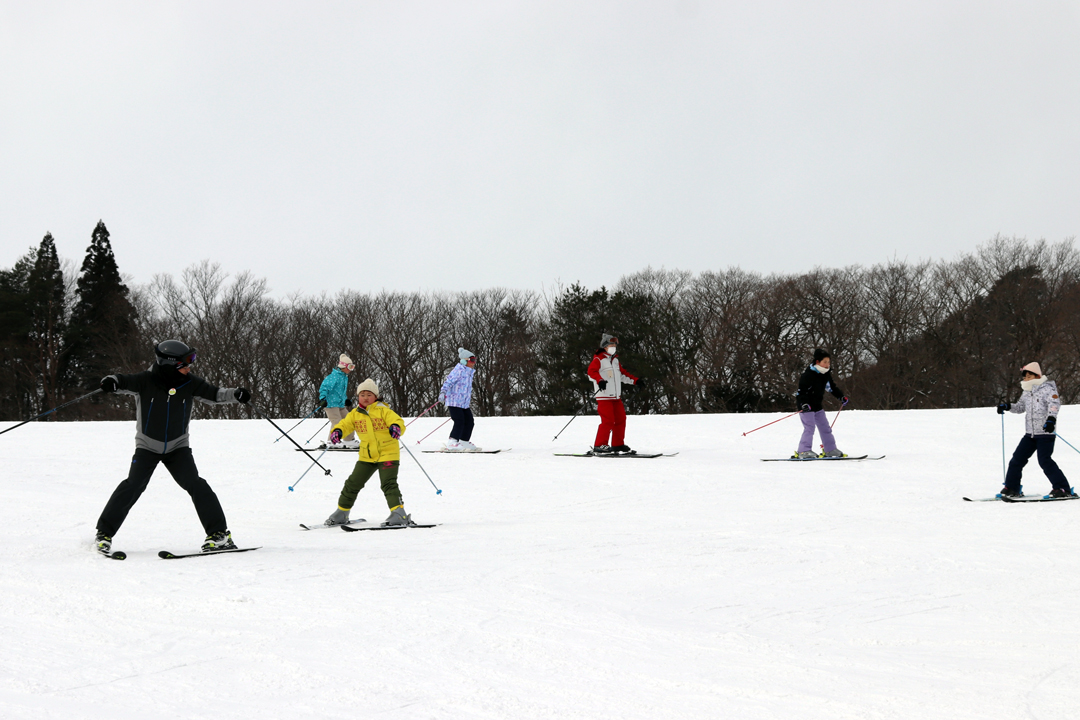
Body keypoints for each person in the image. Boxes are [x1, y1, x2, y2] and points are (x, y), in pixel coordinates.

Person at [94, 340, 250, 555]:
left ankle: (219, 535)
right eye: (185, 364)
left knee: (195, 484)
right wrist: (111, 381)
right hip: (148, 446)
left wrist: (236, 394)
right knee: (133, 485)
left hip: (177, 447)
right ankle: (104, 534)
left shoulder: (190, 383)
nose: (189, 368)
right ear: (169, 364)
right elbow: (122, 381)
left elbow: (215, 394)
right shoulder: (145, 381)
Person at [324, 378, 417, 527]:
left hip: (388, 453)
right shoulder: (355, 414)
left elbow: (398, 421)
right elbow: (345, 425)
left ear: (376, 396)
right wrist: (338, 431)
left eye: (369, 394)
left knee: (388, 484)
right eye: (362, 395)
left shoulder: (383, 410)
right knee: (352, 483)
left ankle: (399, 514)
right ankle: (342, 512)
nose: (365, 398)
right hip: (367, 456)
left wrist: (396, 427)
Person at [996, 362, 1075, 499]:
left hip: (1045, 434)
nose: (1026, 378)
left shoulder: (1048, 389)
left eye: (1029, 375)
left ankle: (1063, 488)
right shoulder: (1027, 391)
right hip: (1030, 434)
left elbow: (1054, 404)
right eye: (1025, 376)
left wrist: (1051, 419)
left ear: (1037, 375)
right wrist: (1008, 406)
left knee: (1045, 461)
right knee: (1016, 460)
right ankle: (1012, 488)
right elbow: (1020, 407)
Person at [586, 333, 639, 455]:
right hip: (604, 397)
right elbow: (591, 372)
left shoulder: (615, 360)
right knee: (608, 420)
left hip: (616, 397)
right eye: (611, 344)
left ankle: (617, 444)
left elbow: (622, 374)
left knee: (621, 419)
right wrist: (600, 381)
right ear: (604, 346)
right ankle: (599, 445)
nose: (613, 346)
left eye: (615, 344)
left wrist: (636, 381)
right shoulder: (599, 359)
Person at [794, 349, 849, 459]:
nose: (827, 365)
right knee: (809, 428)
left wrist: (841, 397)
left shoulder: (825, 374)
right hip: (806, 407)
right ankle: (803, 451)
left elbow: (832, 388)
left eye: (829, 362)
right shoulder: (808, 375)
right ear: (817, 362)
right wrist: (804, 404)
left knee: (825, 428)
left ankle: (830, 449)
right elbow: (801, 392)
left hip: (817, 406)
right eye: (825, 362)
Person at [439, 347, 480, 451]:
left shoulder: (469, 372)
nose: (474, 362)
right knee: (459, 421)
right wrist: (443, 392)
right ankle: (452, 442)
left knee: (470, 421)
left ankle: (463, 441)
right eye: (472, 360)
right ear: (464, 361)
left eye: (474, 360)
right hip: (454, 401)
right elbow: (448, 382)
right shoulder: (458, 371)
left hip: (464, 403)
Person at [319, 354, 356, 448]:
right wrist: (322, 399)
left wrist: (345, 400)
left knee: (349, 420)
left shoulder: (344, 377)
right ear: (343, 366)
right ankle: (332, 441)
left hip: (339, 404)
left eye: (352, 367)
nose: (351, 369)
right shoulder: (333, 377)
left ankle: (349, 440)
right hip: (330, 404)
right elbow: (324, 388)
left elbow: (340, 392)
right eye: (350, 367)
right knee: (337, 423)